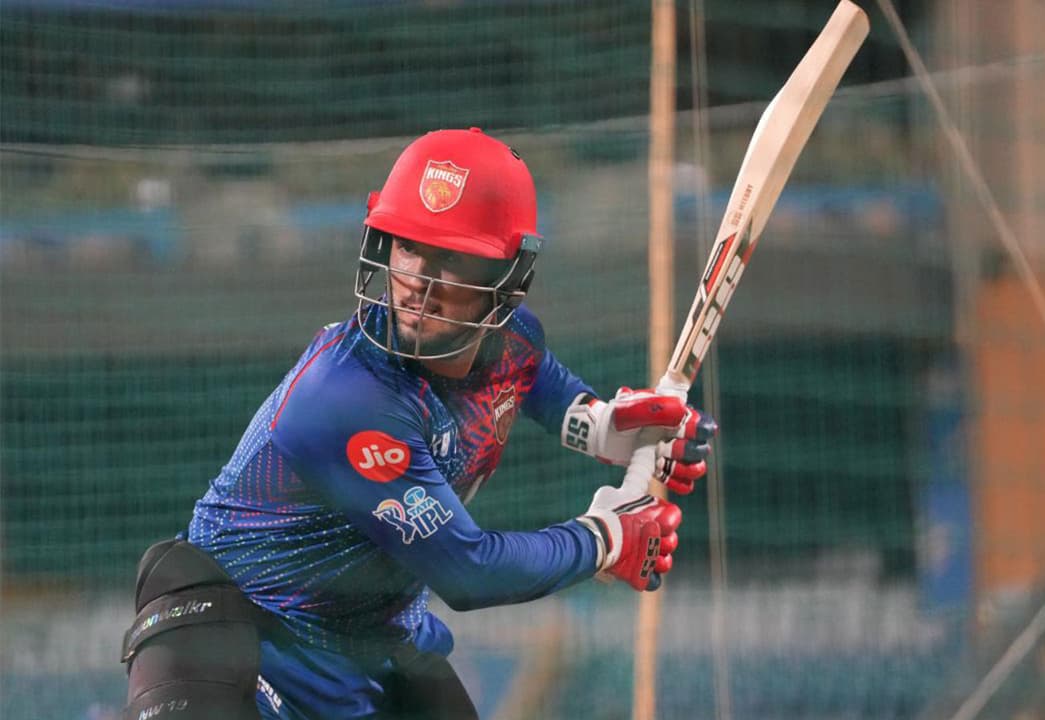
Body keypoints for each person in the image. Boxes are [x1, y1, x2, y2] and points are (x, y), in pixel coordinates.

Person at [119, 128, 717, 720]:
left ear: (507, 278)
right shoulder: (347, 397)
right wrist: (606, 539)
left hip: (368, 646)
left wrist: (609, 427)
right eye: (408, 248)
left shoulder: (514, 340)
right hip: (242, 638)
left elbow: (543, 389)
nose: (418, 287)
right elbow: (469, 572)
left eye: (451, 259)